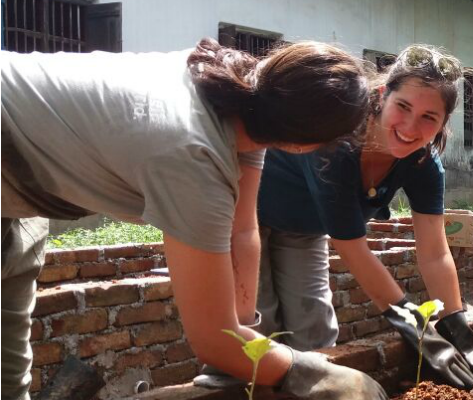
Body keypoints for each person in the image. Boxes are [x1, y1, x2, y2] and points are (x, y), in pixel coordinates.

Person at [1, 39, 388, 400]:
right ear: (304, 145)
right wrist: (313, 375)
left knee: (8, 372)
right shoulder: (193, 154)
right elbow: (212, 339)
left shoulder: (246, 102)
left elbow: (243, 230)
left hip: (21, 186)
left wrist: (245, 336)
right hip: (10, 142)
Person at [243, 45, 473, 391]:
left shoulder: (423, 165)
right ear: (381, 96)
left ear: (442, 124)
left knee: (313, 332)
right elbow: (354, 251)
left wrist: (458, 328)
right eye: (402, 106)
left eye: (428, 117)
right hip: (247, 218)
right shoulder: (337, 147)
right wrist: (418, 330)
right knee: (257, 328)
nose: (409, 126)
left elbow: (434, 253)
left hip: (304, 230)